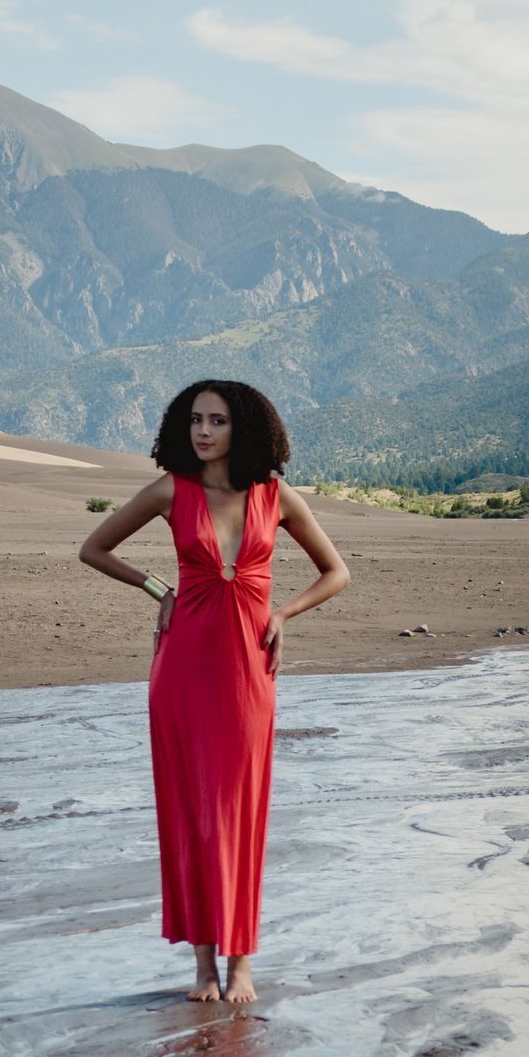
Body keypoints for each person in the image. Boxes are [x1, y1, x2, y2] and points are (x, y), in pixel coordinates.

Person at [79, 380, 350, 1004]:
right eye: (195, 420)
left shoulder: (276, 496)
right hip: (183, 668)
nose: (204, 432)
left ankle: (242, 962)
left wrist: (283, 614)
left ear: (243, 428)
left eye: (217, 421)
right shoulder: (172, 490)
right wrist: (159, 591)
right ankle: (204, 967)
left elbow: (336, 572)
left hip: (248, 672)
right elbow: (94, 548)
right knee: (194, 813)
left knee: (241, 811)